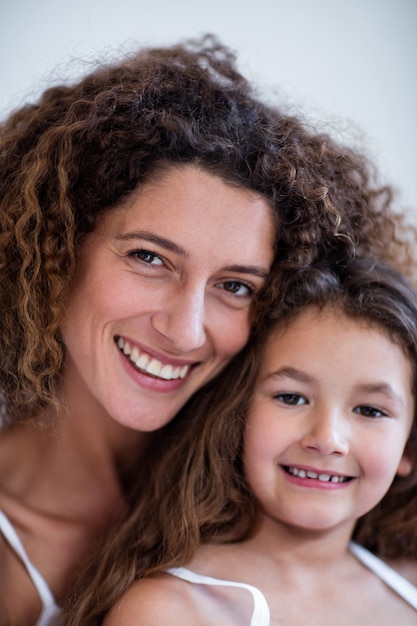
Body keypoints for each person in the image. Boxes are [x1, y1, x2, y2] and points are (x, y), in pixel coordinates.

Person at [0, 32, 416, 625]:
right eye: (149, 258)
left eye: (236, 285)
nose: (185, 329)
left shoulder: (316, 487)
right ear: (57, 248)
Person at [63, 257, 417, 625]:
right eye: (291, 398)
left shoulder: (408, 592)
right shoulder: (169, 611)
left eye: (371, 411)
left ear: (408, 447)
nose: (326, 439)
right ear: (238, 416)